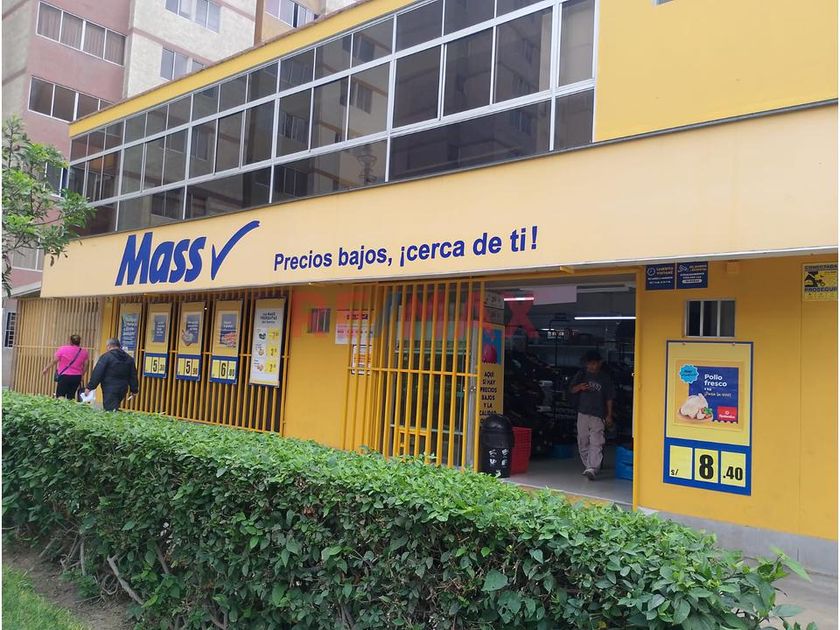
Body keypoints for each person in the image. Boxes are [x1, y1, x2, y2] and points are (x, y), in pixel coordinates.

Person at [569, 350, 615, 480]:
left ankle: (593, 468)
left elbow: (609, 398)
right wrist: (579, 387)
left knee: (597, 441)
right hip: (582, 412)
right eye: (589, 364)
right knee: (583, 440)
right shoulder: (581, 374)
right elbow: (571, 389)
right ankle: (588, 466)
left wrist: (609, 415)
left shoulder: (605, 378)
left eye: (594, 363)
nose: (591, 366)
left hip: (598, 414)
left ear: (600, 363)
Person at [84, 338, 139, 412]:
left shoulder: (106, 357)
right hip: (123, 388)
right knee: (114, 408)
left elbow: (97, 373)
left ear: (109, 346)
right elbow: (133, 375)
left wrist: (90, 387)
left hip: (109, 388)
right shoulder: (129, 359)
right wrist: (134, 389)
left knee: (110, 411)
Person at [41, 334, 89, 400]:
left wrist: (46, 368)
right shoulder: (84, 352)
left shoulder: (63, 349)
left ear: (70, 341)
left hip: (64, 376)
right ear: (79, 342)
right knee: (71, 396)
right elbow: (86, 365)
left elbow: (54, 361)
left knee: (60, 396)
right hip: (76, 377)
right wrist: (82, 375)